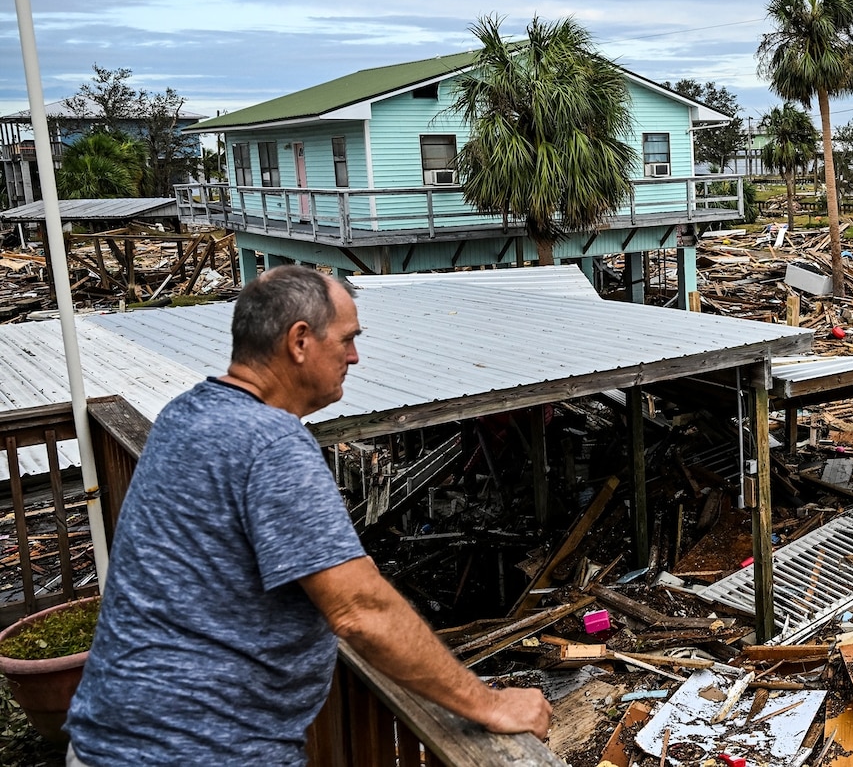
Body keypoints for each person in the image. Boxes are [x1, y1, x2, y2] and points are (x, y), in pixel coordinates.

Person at [66, 265, 550, 764]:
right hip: (196, 750)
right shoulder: (271, 443)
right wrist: (488, 703)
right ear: (300, 341)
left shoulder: (186, 413)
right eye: (346, 339)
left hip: (108, 737)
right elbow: (361, 611)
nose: (355, 356)